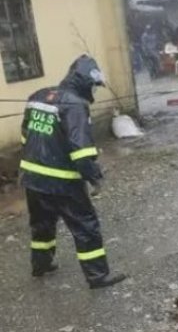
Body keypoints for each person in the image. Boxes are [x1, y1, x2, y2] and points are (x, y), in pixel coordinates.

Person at [20, 55, 127, 289]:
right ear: (85, 83)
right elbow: (81, 151)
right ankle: (98, 276)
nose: (94, 91)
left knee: (41, 223)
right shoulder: (76, 105)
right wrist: (95, 177)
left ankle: (40, 265)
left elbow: (25, 136)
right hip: (62, 182)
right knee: (85, 225)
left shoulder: (37, 97)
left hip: (32, 178)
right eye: (93, 86)